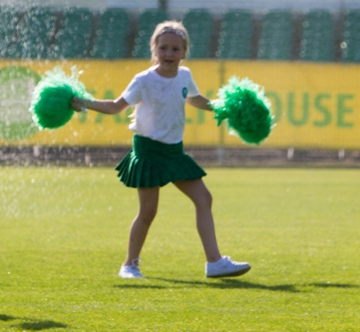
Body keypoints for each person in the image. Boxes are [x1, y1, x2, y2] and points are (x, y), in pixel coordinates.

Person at [70, 20, 250, 280]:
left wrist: (223, 107)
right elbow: (115, 106)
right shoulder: (143, 80)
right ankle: (129, 265)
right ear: (154, 49)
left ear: (184, 52)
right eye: (163, 47)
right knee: (148, 211)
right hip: (149, 151)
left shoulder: (185, 75)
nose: (169, 53)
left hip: (174, 152)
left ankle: (215, 263)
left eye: (175, 49)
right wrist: (83, 102)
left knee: (204, 199)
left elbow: (194, 99)